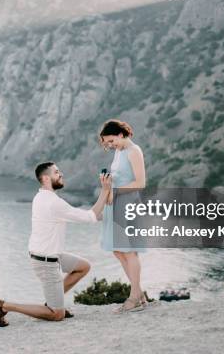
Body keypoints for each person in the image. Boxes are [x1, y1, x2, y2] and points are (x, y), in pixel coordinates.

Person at [0, 162, 112, 326]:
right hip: (46, 262)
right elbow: (88, 217)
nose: (61, 174)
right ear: (46, 178)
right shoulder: (53, 203)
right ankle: (3, 306)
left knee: (83, 267)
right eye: (57, 172)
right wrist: (105, 191)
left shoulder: (42, 197)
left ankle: (53, 302)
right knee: (57, 315)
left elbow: (86, 215)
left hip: (51, 254)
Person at [98, 119, 147, 313]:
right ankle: (140, 294)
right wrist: (107, 185)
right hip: (115, 204)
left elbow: (140, 183)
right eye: (107, 143)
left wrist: (115, 191)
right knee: (118, 251)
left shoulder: (134, 151)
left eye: (111, 141)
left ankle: (134, 297)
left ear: (120, 134)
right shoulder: (119, 151)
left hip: (128, 203)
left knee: (129, 250)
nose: (110, 146)